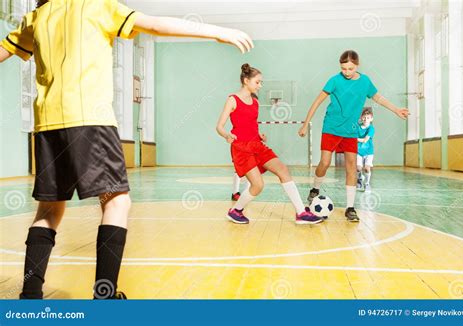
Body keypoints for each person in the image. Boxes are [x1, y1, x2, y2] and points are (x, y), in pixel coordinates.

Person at [0, 0, 253, 299]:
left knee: (49, 209)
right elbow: (156, 24)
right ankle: (104, 297)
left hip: (47, 126)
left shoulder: (36, 16)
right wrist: (215, 32)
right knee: (117, 202)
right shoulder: (96, 6)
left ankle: (30, 296)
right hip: (90, 121)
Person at [298, 50, 408, 222]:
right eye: (343, 69)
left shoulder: (365, 81)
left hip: (350, 131)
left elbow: (378, 98)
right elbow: (317, 101)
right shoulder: (334, 80)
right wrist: (305, 123)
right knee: (325, 162)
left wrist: (396, 110)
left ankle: (350, 208)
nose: (347, 72)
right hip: (332, 127)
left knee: (351, 167)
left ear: (357, 65)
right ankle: (315, 189)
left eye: (350, 68)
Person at [216, 64, 323, 225]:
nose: (260, 85)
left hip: (257, 145)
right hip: (241, 148)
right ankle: (236, 211)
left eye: (261, 82)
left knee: (283, 170)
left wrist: (259, 134)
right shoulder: (232, 100)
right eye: (257, 82)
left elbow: (251, 123)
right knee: (258, 185)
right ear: (246, 81)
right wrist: (226, 135)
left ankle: (301, 213)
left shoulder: (255, 102)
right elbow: (219, 126)